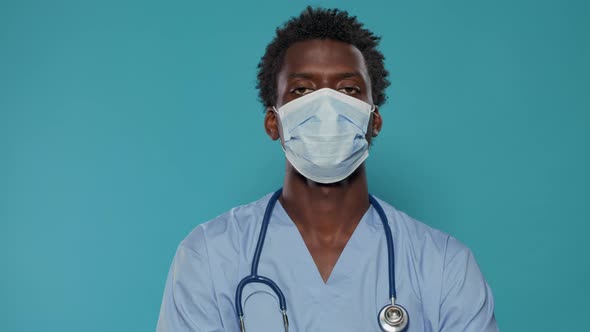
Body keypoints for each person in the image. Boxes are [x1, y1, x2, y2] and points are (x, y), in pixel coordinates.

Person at [157, 7, 498, 332]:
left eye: (348, 90)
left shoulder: (444, 265)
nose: (326, 107)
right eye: (302, 90)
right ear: (273, 122)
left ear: (373, 119)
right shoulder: (210, 256)